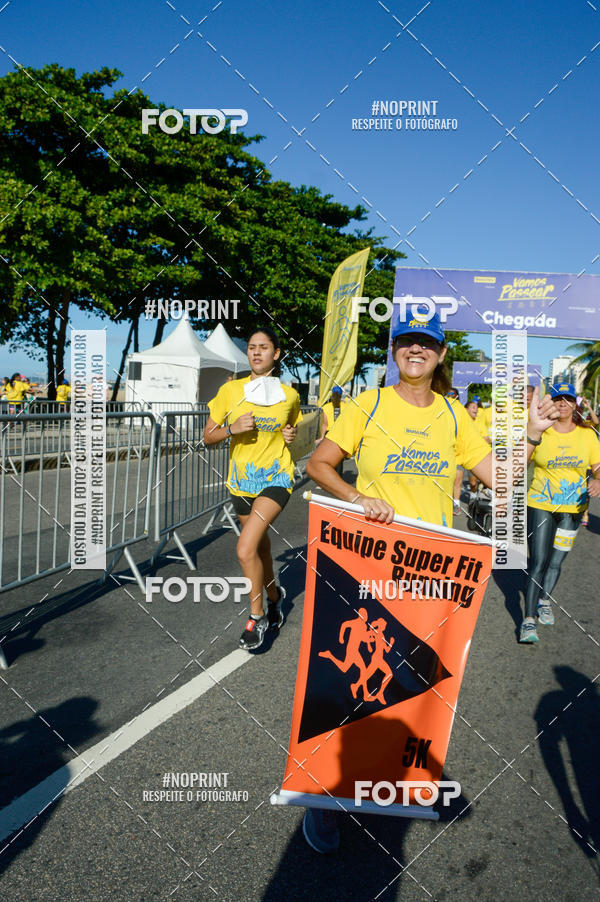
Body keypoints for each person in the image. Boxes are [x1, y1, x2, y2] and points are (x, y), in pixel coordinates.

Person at [302, 307, 493, 852]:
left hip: (432, 575)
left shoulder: (456, 417)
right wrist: (357, 497)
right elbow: (319, 464)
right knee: (350, 684)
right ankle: (322, 797)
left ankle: (391, 783)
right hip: (369, 565)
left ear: (440, 354)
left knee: (413, 685)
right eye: (406, 342)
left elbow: (498, 479)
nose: (416, 351)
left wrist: (527, 439)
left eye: (426, 345)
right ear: (394, 351)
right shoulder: (369, 404)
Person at [203, 328, 303, 652]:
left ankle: (256, 615)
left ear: (276, 354)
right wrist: (232, 428)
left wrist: (290, 436)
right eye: (251, 348)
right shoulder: (231, 391)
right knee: (259, 547)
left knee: (245, 548)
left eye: (264, 348)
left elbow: (293, 428)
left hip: (277, 477)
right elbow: (207, 436)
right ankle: (275, 596)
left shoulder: (289, 395)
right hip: (241, 482)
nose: (256, 352)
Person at [521, 382, 600, 643]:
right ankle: (529, 620)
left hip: (573, 509)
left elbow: (597, 465)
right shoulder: (540, 431)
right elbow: (520, 460)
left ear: (575, 404)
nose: (563, 403)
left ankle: (545, 600)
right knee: (538, 562)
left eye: (567, 399)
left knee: (556, 562)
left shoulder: (588, 434)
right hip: (541, 503)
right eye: (558, 399)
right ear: (550, 403)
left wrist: (598, 478)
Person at [453, 398, 480, 510]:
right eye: (473, 408)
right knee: (457, 481)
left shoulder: (479, 423)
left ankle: (473, 496)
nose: (476, 410)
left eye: (477, 408)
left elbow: (486, 439)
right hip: (459, 455)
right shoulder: (459, 420)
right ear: (466, 409)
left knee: (473, 483)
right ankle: (456, 504)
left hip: (473, 456)